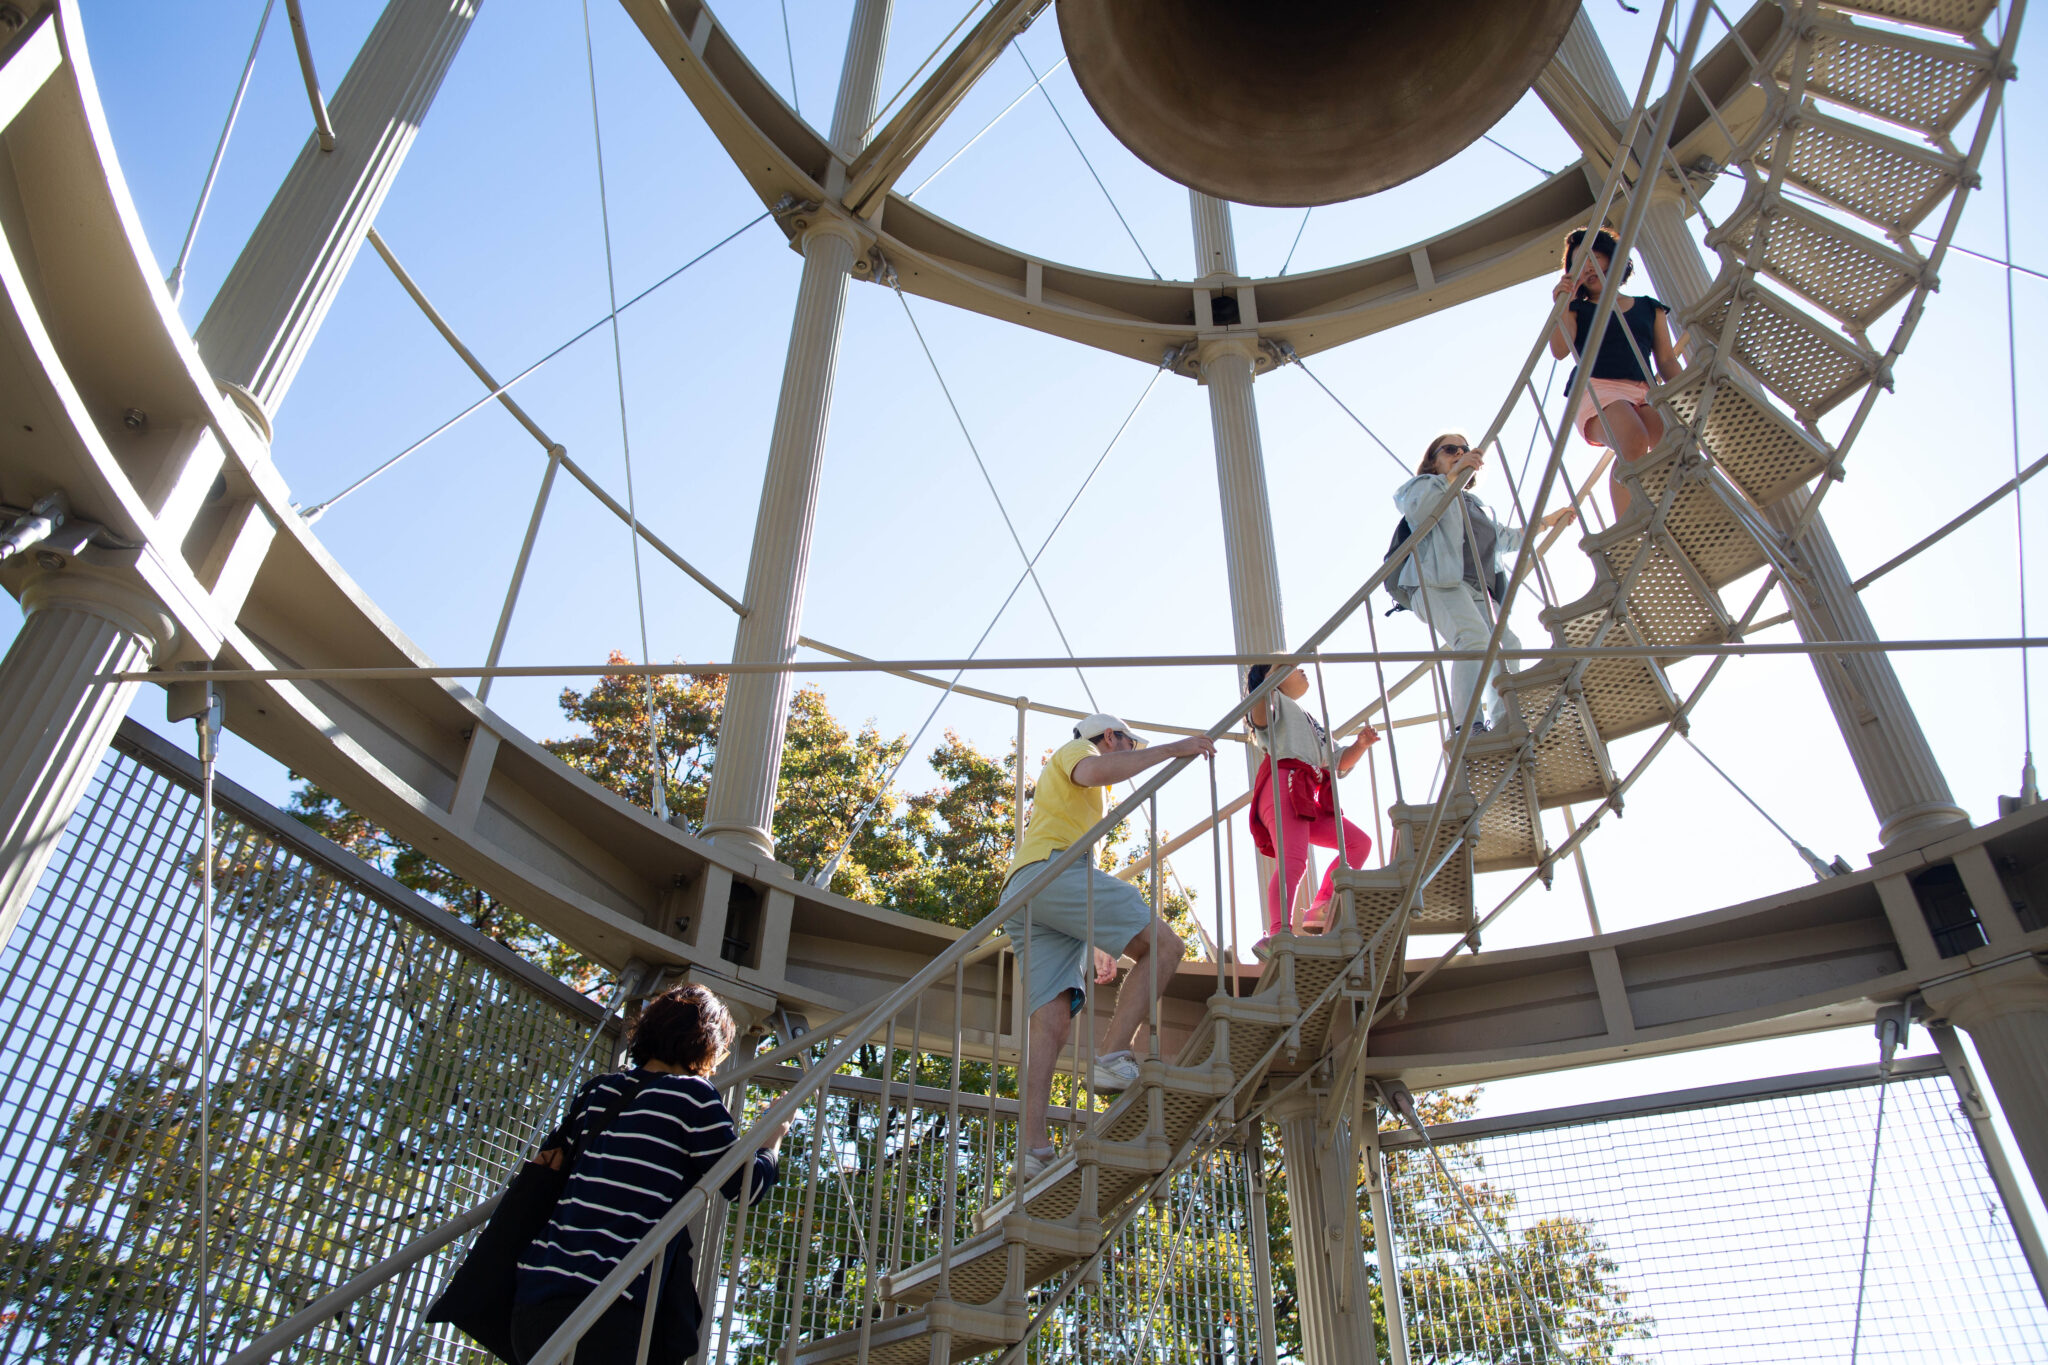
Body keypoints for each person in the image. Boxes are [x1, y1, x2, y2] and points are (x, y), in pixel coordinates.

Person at [512, 983, 789, 1363]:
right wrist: (772, 1136)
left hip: (536, 1296)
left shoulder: (598, 1091)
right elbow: (746, 1185)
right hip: (607, 1302)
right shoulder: (692, 1096)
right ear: (707, 1041)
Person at [1002, 713, 1213, 1180]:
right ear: (1111, 737)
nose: (1130, 752)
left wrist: (1097, 939)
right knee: (1165, 946)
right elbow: (1097, 770)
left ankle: (1032, 1151)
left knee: (1051, 1023)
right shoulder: (1080, 751)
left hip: (1030, 892)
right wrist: (1172, 749)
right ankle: (1113, 1057)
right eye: (1129, 744)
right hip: (1052, 874)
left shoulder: (1072, 797)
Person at [1394, 434, 1575, 736]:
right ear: (1433, 460)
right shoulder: (1422, 486)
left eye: (1464, 450)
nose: (1460, 453)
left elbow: (1506, 538)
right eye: (1450, 450)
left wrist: (1548, 521)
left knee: (1508, 644)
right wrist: (1453, 475)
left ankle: (1506, 718)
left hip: (1475, 589)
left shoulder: (1474, 505)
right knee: (1473, 640)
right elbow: (1418, 510)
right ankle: (1466, 726)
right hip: (1436, 581)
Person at [1547, 225, 1684, 520]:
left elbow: (1667, 361)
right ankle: (1628, 527)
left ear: (1613, 259)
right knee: (1632, 439)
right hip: (1597, 386)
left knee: (1667, 444)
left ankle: (1669, 519)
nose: (1590, 268)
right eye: (1580, 263)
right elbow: (1559, 350)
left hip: (1643, 389)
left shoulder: (1650, 308)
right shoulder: (1577, 310)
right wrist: (1563, 303)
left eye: (1596, 257)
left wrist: (1689, 397)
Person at [1244, 663, 1378, 941]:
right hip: (1284, 782)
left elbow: (1339, 760)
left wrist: (1361, 745)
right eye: (1288, 666)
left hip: (1306, 791)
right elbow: (1259, 717)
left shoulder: (1308, 718)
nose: (1300, 669)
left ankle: (1322, 905)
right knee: (1294, 860)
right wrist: (1268, 683)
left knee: (1358, 843)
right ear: (1273, 676)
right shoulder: (1272, 700)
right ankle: (1277, 934)